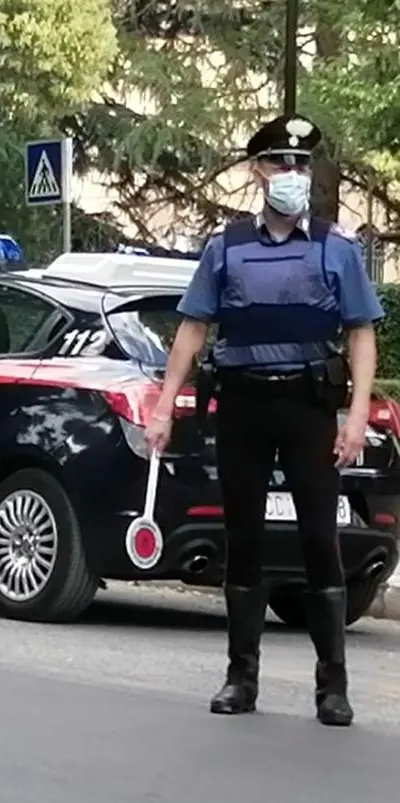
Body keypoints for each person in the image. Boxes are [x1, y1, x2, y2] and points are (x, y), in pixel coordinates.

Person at [145, 114, 384, 728]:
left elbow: (360, 334)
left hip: (307, 407)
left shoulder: (337, 247)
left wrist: (355, 415)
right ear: (258, 171)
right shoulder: (226, 248)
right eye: (281, 163)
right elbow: (192, 331)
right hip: (245, 408)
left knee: (317, 540)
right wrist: (165, 407)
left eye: (302, 164)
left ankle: (332, 686)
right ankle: (240, 677)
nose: (293, 174)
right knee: (244, 540)